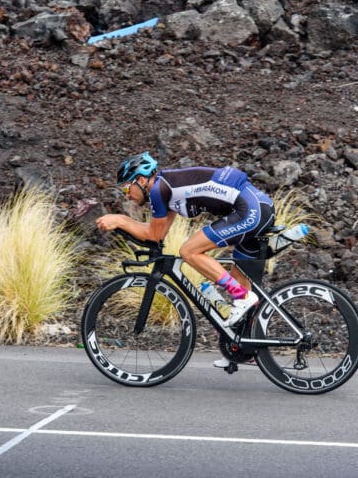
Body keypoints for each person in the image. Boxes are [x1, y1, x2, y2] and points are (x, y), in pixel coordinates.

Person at [95, 151, 276, 368]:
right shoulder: (166, 190)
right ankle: (246, 349)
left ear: (141, 180)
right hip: (256, 205)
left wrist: (121, 220)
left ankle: (240, 296)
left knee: (189, 251)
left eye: (126, 188)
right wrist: (122, 223)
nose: (127, 195)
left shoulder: (158, 189)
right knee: (240, 277)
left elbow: (152, 235)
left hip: (249, 209)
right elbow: (157, 234)